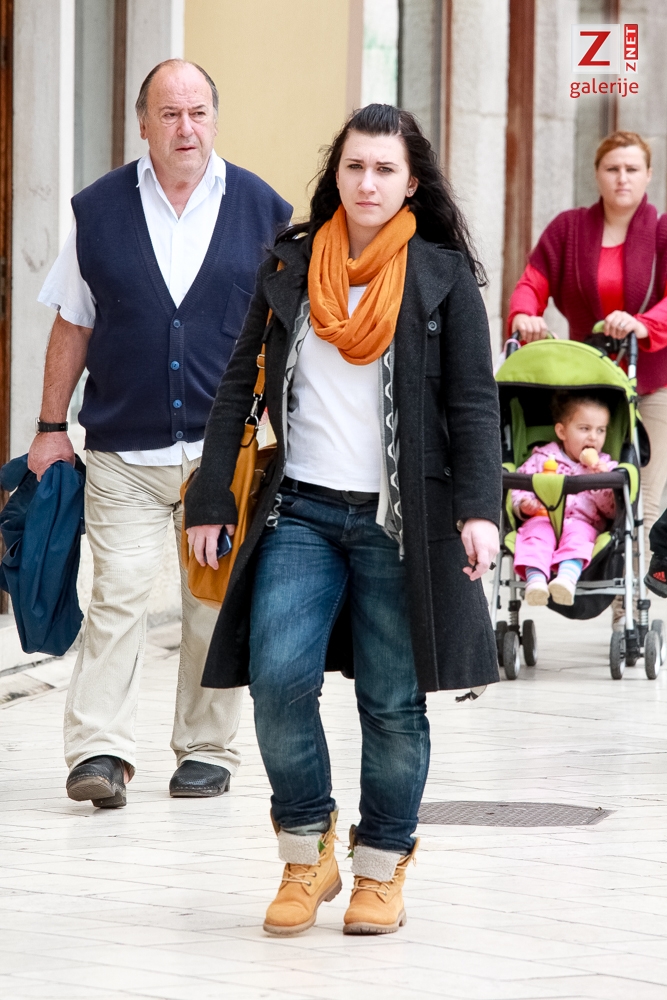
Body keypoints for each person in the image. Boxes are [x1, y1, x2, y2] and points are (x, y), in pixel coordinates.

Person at [185, 104, 501, 937]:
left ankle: (380, 869)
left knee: (391, 701)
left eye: (385, 169)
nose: (367, 182)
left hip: (400, 523)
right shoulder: (290, 264)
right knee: (277, 680)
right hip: (301, 511)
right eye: (355, 166)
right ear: (337, 172)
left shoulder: (440, 277)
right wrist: (212, 497)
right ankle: (306, 851)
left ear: (411, 182)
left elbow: (473, 403)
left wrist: (479, 510)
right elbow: (237, 385)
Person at [29, 59, 292, 808]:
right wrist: (50, 427)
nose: (186, 128)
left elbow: (287, 333)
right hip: (123, 452)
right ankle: (100, 751)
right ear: (142, 123)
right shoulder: (98, 210)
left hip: (222, 456)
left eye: (198, 112)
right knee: (117, 598)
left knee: (211, 602)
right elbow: (73, 322)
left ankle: (206, 750)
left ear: (216, 119)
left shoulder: (263, 210)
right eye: (169, 114)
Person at [508, 131, 667, 588]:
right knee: (572, 486)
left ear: (648, 175)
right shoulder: (569, 229)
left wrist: (643, 323)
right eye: (612, 168)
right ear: (597, 174)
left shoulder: (661, 232)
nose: (622, 178)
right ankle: (560, 572)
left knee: (638, 499)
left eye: (632, 169)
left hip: (651, 380)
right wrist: (524, 314)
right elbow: (532, 281)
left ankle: (625, 609)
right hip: (590, 384)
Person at [512, 392, 617, 607]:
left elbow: (611, 511)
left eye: (600, 430)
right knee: (534, 537)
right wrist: (524, 506)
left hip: (583, 522)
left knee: (579, 539)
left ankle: (566, 579)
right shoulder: (542, 458)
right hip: (543, 518)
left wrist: (601, 481)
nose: (593, 437)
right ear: (562, 431)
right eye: (584, 429)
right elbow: (520, 486)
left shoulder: (607, 467)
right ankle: (535, 581)